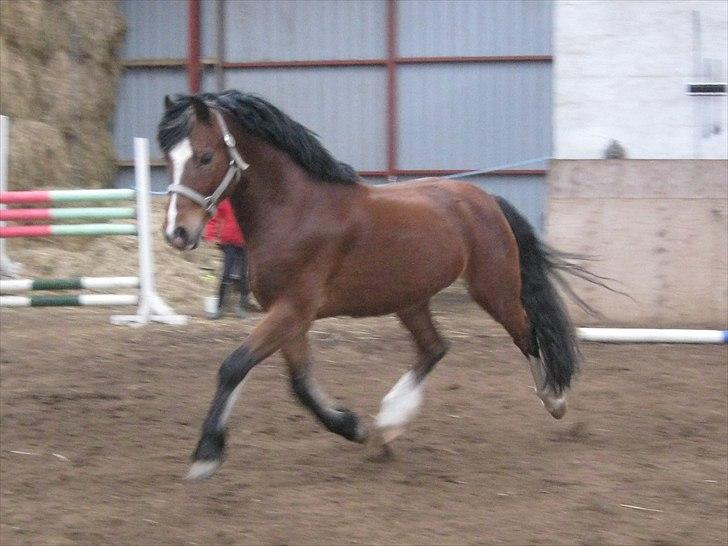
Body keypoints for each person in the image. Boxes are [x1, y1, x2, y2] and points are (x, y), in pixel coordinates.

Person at [203, 198, 259, 318]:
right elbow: (214, 218)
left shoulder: (246, 201)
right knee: (226, 274)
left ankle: (242, 306)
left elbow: (255, 220)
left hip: (244, 243)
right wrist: (210, 235)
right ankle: (219, 307)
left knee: (244, 275)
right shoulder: (224, 201)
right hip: (228, 242)